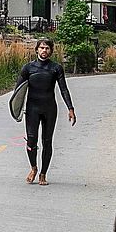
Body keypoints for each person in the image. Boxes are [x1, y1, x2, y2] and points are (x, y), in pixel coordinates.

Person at [16, 38, 76, 186]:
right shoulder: (28, 68)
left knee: (47, 141)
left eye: (47, 48)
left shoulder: (56, 68)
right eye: (42, 48)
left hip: (49, 109)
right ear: (36, 50)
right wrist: (16, 110)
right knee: (31, 140)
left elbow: (63, 89)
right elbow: (18, 91)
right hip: (32, 109)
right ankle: (33, 168)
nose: (44, 50)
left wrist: (70, 108)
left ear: (51, 51)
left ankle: (43, 173)